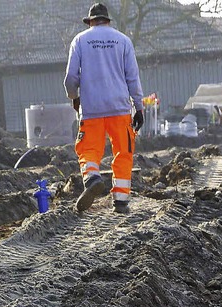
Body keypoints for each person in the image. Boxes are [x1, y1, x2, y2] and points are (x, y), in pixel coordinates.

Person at [64, 3, 144, 214]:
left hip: (91, 109)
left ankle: (92, 178)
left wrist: (74, 97)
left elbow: (71, 78)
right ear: (108, 20)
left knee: (88, 148)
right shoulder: (123, 41)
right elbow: (132, 78)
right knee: (123, 152)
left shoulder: (80, 41)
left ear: (90, 21)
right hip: (120, 109)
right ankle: (120, 200)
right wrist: (139, 107)